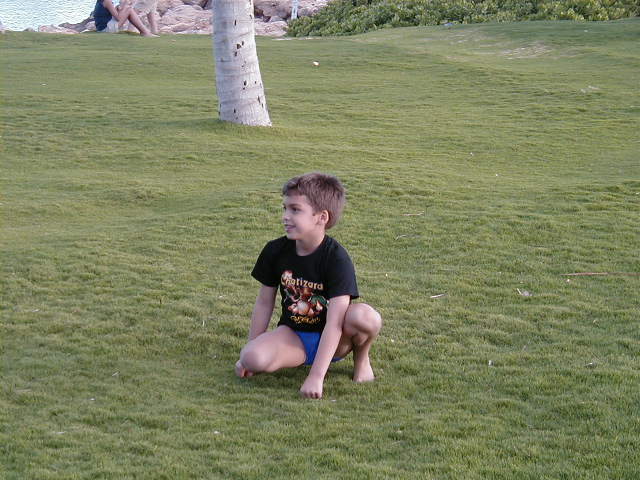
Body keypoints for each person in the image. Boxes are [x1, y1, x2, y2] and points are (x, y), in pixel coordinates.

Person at [235, 173, 382, 399]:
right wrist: (247, 352)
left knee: (366, 317)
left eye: (295, 210)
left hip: (336, 339)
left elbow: (335, 323)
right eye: (285, 208)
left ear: (321, 217)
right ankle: (278, 355)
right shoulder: (275, 250)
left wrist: (316, 376)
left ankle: (361, 360)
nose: (285, 216)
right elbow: (264, 303)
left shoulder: (336, 259)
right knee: (252, 357)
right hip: (294, 336)